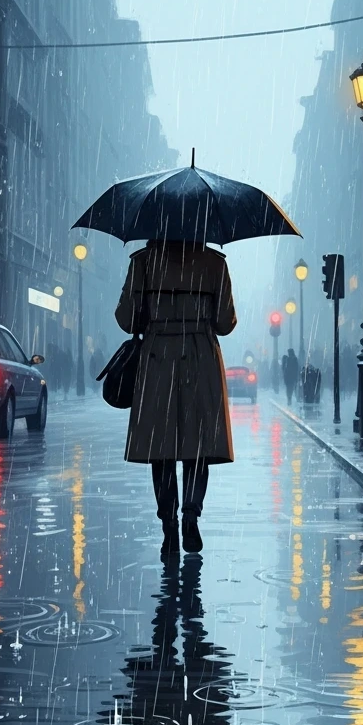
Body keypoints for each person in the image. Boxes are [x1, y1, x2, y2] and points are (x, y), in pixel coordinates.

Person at [115, 238, 236, 557]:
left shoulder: (143, 262)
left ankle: (168, 524)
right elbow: (225, 323)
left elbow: (126, 319)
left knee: (161, 449)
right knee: (198, 450)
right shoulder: (215, 264)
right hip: (200, 361)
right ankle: (191, 514)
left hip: (157, 360)